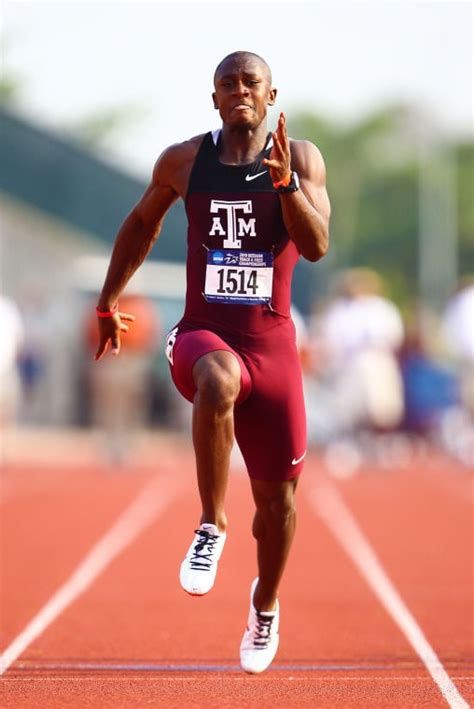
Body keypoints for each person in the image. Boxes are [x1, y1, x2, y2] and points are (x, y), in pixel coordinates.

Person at [95, 51, 330, 673]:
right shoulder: (184, 162)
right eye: (228, 83)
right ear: (215, 98)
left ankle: (266, 604)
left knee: (278, 507)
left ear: (271, 92)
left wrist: (286, 187)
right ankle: (209, 525)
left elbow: (317, 246)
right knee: (215, 377)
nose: (240, 90)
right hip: (204, 332)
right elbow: (141, 221)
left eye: (251, 81)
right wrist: (109, 298)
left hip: (272, 347)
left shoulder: (300, 159)